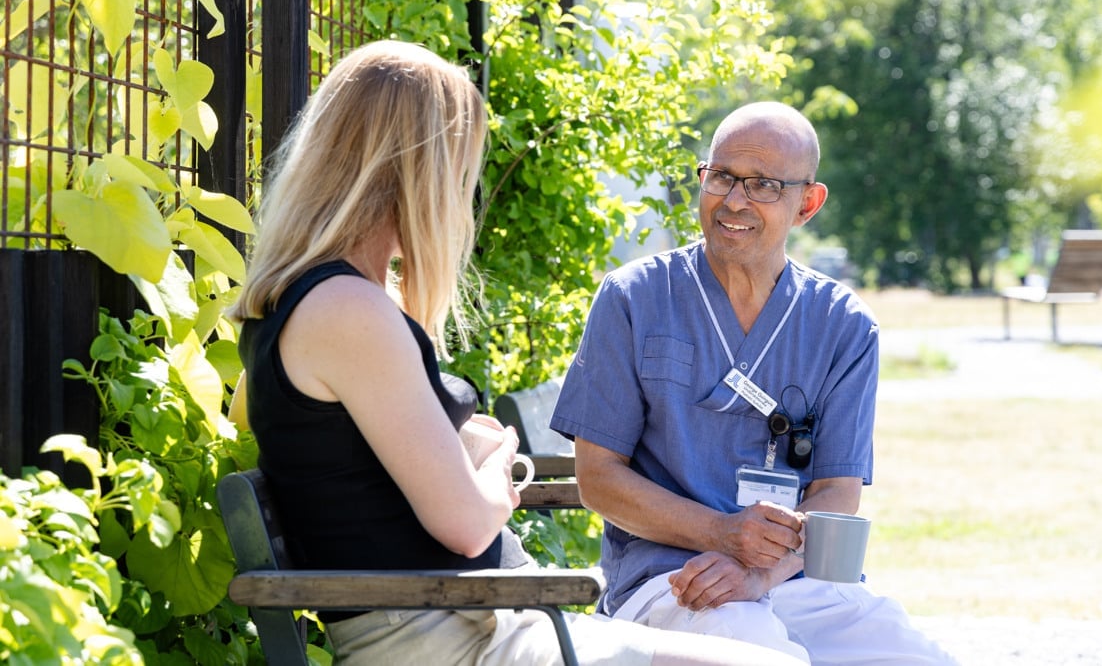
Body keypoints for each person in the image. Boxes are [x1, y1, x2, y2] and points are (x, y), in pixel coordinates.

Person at [228, 41, 810, 666]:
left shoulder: (322, 299)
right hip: (453, 641)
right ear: (411, 168)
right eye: (458, 168)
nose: (462, 192)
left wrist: (456, 447)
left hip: (486, 621)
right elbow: (467, 524)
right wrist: (497, 457)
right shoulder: (347, 309)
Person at [549, 101, 958, 664]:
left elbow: (837, 494)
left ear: (806, 204)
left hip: (795, 579)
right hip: (671, 580)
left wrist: (761, 573)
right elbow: (598, 479)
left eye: (764, 184)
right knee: (758, 650)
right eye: (721, 177)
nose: (734, 201)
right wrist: (721, 534)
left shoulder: (843, 325)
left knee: (910, 655)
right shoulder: (635, 299)